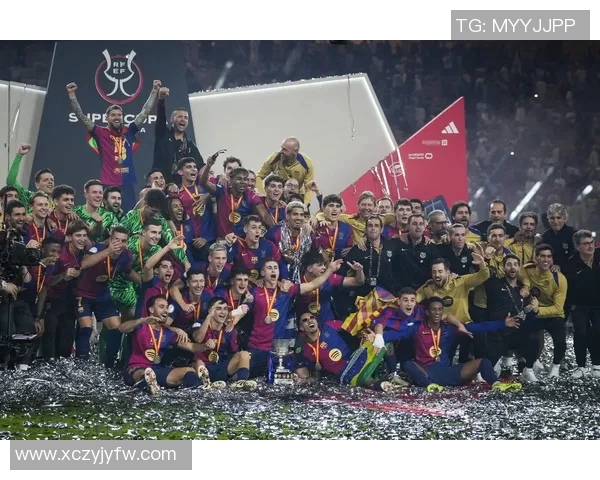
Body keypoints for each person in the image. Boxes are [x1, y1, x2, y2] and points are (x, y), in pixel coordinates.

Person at [66, 80, 161, 211]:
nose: (117, 117)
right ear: (107, 118)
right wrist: (72, 96)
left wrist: (154, 91)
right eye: (113, 115)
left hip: (127, 182)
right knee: (108, 216)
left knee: (128, 214)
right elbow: (81, 116)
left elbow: (145, 112)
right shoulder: (100, 132)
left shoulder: (129, 131)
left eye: (119, 115)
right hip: (108, 182)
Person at [398, 297, 522, 393]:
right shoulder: (417, 328)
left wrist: (503, 324)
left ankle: (496, 384)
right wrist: (384, 335)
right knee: (408, 364)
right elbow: (396, 335)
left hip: (449, 372)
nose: (437, 312)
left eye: (440, 309)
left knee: (483, 362)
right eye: (433, 309)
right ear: (427, 312)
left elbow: (479, 327)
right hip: (426, 372)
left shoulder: (449, 329)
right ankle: (430, 386)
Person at [74, 227, 140, 368]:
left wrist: (144, 283)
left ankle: (110, 365)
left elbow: (129, 271)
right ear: (110, 239)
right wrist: (108, 251)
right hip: (83, 293)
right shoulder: (98, 248)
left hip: (102, 295)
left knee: (116, 327)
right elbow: (84, 264)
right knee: (86, 327)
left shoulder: (126, 255)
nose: (119, 244)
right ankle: (81, 366)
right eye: (116, 240)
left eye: (123, 241)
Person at [120, 295, 208, 396]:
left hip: (157, 370)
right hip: (137, 367)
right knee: (143, 373)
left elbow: (191, 347)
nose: (166, 310)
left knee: (189, 371)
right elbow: (122, 328)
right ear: (151, 310)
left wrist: (205, 346)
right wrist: (142, 320)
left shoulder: (169, 332)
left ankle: (200, 391)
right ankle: (148, 384)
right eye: (161, 307)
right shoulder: (141, 326)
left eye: (167, 307)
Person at [294, 312, 392, 391]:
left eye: (312, 317)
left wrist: (364, 333)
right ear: (301, 328)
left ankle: (393, 373)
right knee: (356, 377)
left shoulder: (329, 326)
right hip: (344, 374)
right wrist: (304, 381)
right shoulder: (307, 350)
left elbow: (353, 325)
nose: (310, 320)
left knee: (385, 337)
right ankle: (379, 385)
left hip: (355, 358)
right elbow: (316, 377)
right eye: (305, 320)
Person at [200, 153, 274, 239]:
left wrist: (276, 231)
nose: (243, 182)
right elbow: (203, 182)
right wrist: (208, 166)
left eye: (245, 179)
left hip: (242, 241)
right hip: (223, 241)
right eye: (239, 179)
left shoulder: (251, 195)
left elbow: (264, 215)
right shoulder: (222, 191)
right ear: (231, 180)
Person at [521, 244, 568, 378]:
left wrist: (537, 310)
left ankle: (555, 366)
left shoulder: (560, 279)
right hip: (533, 313)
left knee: (560, 341)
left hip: (553, 314)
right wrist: (525, 288)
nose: (545, 259)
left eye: (549, 257)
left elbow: (558, 308)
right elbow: (520, 276)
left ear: (552, 259)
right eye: (542, 256)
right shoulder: (527, 270)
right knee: (531, 339)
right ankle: (528, 368)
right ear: (536, 258)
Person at [192, 297, 256, 390]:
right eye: (218, 308)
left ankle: (241, 382)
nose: (223, 312)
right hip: (203, 367)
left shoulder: (229, 330)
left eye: (225, 309)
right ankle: (207, 384)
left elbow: (233, 352)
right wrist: (208, 317)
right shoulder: (200, 323)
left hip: (220, 367)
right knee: (198, 362)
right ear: (210, 311)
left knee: (244, 354)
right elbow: (198, 339)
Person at [563, 230, 600, 378]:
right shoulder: (570, 264)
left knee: (597, 332)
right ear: (577, 247)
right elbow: (568, 290)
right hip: (579, 306)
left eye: (592, 243)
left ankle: (597, 365)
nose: (590, 246)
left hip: (598, 305)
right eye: (586, 244)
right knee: (580, 334)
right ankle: (581, 366)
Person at [152, 87, 204, 182]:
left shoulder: (190, 145)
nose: (183, 119)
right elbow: (161, 118)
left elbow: (201, 166)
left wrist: (212, 174)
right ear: (172, 119)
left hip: (181, 186)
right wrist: (161, 100)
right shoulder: (163, 135)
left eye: (186, 117)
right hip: (161, 183)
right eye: (180, 116)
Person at [226, 215, 287, 283]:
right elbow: (227, 263)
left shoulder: (269, 245)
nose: (257, 231)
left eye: (259, 227)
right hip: (243, 283)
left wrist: (284, 279)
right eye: (254, 228)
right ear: (245, 229)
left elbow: (281, 263)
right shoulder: (237, 244)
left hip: (263, 285)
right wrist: (229, 245)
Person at [256, 137, 315, 204]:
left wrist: (305, 205)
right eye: (281, 148)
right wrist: (263, 195)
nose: (281, 151)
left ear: (295, 151)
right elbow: (258, 176)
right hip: (278, 195)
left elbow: (309, 188)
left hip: (297, 195)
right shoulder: (274, 158)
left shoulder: (307, 163)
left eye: (284, 150)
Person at [6, 143, 55, 208]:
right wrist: (19, 156)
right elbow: (10, 182)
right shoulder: (28, 197)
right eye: (45, 180)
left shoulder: (56, 205)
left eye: (52, 180)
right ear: (37, 185)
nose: (50, 182)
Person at [311, 194, 354, 262]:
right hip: (320, 266)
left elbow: (350, 248)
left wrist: (351, 249)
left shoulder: (347, 228)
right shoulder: (316, 226)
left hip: (341, 266)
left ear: (340, 210)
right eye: (331, 205)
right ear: (324, 208)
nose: (334, 209)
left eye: (337, 206)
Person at [541, 203, 576, 271]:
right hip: (550, 272)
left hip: (570, 273)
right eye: (552, 218)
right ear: (548, 219)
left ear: (564, 218)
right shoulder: (545, 235)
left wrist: (560, 266)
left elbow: (576, 257)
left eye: (558, 218)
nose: (555, 221)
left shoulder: (573, 234)